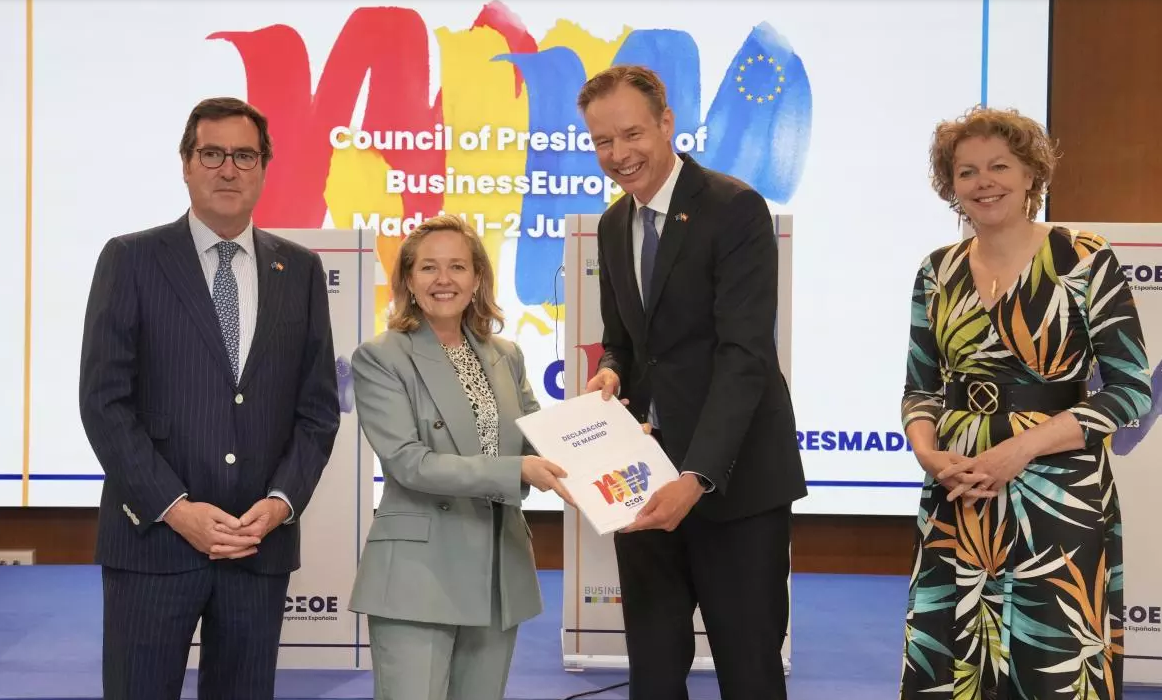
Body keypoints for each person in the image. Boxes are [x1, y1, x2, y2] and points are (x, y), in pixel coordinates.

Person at [78, 96, 340, 700]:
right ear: (187, 164)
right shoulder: (131, 259)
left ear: (264, 167)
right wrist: (174, 507)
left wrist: (280, 503)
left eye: (244, 155)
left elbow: (318, 410)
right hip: (153, 542)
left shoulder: (298, 271)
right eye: (212, 153)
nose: (229, 169)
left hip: (258, 546)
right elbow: (103, 402)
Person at [899, 106, 1152, 700]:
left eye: (999, 166)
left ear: (1032, 175)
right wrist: (929, 456)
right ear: (951, 186)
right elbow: (920, 388)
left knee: (1053, 660)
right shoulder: (935, 272)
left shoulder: (1085, 259)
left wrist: (1023, 448)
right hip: (959, 493)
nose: (984, 182)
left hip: (1057, 494)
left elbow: (1130, 388)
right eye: (966, 172)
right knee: (954, 655)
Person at [576, 65, 807, 700]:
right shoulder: (613, 225)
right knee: (652, 665)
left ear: (667, 124)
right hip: (645, 482)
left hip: (735, 483)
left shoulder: (734, 209)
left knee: (749, 665)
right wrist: (611, 372)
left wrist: (697, 476)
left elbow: (745, 355)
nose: (618, 155)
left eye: (631, 135)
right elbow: (625, 341)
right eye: (602, 142)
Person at [346, 214, 572, 700]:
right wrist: (515, 471)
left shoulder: (506, 354)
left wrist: (606, 435)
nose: (443, 280)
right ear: (407, 279)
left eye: (457, 267)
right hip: (420, 574)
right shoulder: (382, 356)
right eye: (428, 268)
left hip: (498, 571)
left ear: (477, 279)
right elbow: (410, 462)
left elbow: (537, 438)